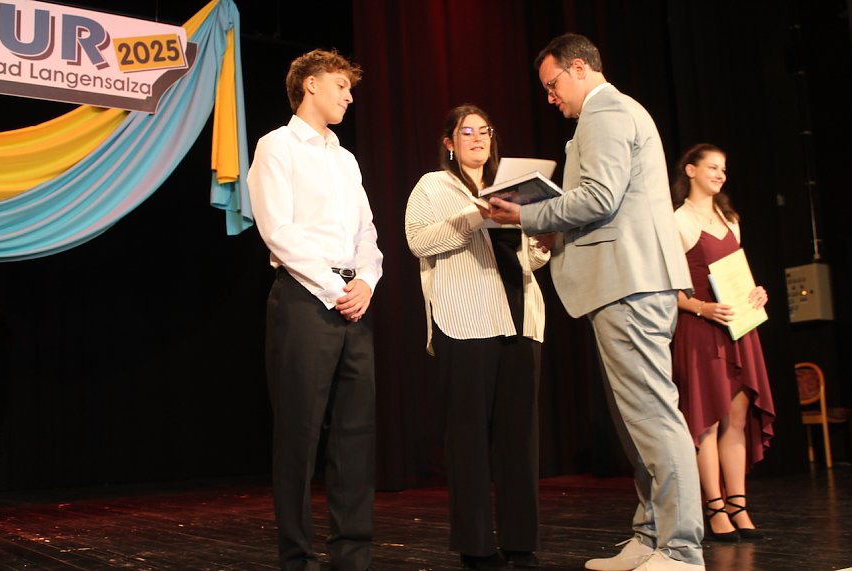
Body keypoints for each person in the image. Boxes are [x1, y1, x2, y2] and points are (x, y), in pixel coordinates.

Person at [489, 33, 705, 571]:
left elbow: (602, 196)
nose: (550, 97)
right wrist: (555, 231)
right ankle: (651, 535)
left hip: (630, 281)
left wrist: (528, 214)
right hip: (620, 281)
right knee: (635, 420)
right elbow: (610, 203)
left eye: (552, 84)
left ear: (579, 68)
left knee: (653, 415)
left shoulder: (605, 111)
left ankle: (681, 548)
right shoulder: (606, 114)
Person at [247, 49, 383, 571]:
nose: (349, 96)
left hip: (354, 304)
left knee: (355, 433)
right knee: (299, 435)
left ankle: (352, 555)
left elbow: (367, 232)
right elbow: (278, 231)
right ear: (310, 85)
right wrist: (335, 287)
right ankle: (297, 558)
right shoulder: (276, 148)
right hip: (306, 300)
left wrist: (367, 281)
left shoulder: (345, 159)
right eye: (341, 86)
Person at [405, 104, 552, 571]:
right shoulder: (434, 186)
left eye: (484, 131)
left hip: (521, 319)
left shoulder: (512, 191)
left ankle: (520, 542)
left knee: (520, 440)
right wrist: (474, 217)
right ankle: (476, 546)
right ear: (449, 141)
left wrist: (542, 244)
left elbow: (530, 259)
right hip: (466, 319)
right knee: (468, 438)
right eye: (466, 132)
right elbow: (418, 242)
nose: (477, 138)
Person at [670, 143, 775, 542]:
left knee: (736, 420)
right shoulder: (677, 221)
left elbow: (739, 276)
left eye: (724, 169)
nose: (720, 174)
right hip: (701, 328)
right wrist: (701, 309)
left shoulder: (730, 219)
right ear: (691, 170)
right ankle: (714, 509)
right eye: (713, 167)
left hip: (739, 327)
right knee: (707, 423)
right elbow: (668, 290)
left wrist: (756, 293)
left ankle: (739, 505)